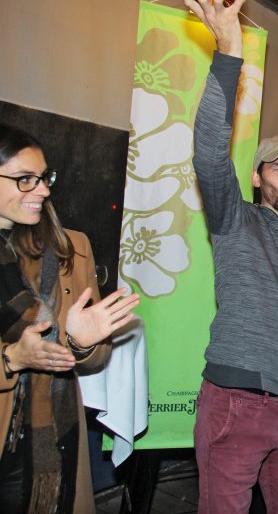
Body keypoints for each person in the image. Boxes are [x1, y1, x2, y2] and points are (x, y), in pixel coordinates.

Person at [180, 0, 278, 513]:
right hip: (238, 403)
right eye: (277, 168)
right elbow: (206, 151)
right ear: (256, 175)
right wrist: (228, 53)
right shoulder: (234, 218)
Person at [0, 124, 140, 513]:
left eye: (44, 177)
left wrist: (83, 342)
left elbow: (94, 359)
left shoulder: (71, 248)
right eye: (24, 179)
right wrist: (12, 359)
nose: (43, 190)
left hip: (50, 437)